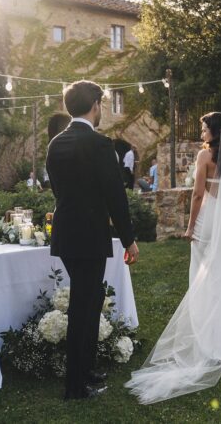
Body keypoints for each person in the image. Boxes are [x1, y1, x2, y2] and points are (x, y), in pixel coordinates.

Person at [126, 112, 221, 404]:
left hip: (209, 219)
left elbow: (197, 196)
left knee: (205, 275)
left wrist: (191, 227)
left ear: (215, 131)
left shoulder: (205, 157)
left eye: (204, 128)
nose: (201, 132)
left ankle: (210, 338)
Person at [46, 80, 139, 400]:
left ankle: (86, 369)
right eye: (101, 104)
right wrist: (129, 240)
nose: (102, 110)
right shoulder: (101, 145)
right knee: (83, 308)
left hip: (67, 236)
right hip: (89, 237)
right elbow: (116, 197)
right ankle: (75, 386)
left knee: (91, 299)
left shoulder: (55, 143)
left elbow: (59, 192)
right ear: (95, 105)